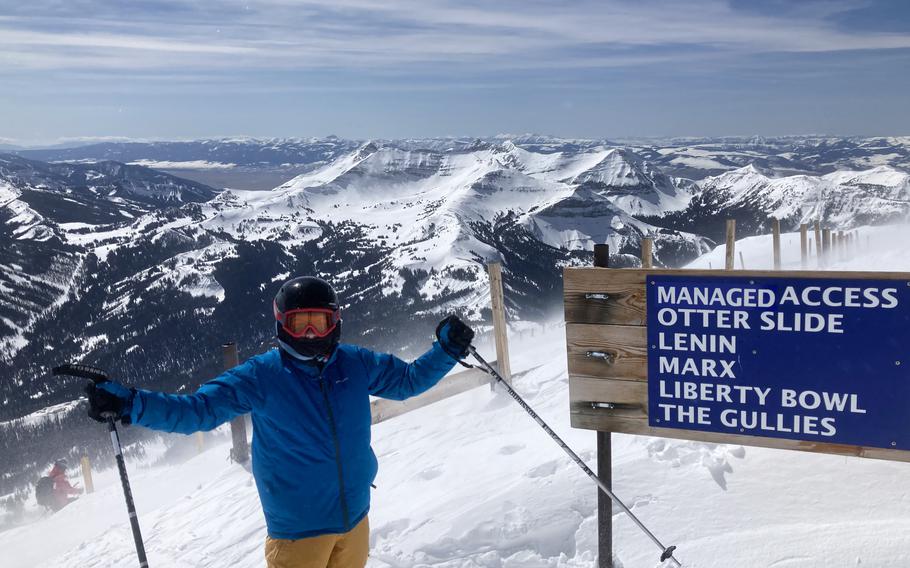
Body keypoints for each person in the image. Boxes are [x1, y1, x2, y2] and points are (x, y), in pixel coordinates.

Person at [85, 276, 475, 568]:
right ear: (281, 325)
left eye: (318, 322)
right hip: (297, 534)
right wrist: (133, 404)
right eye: (298, 322)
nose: (309, 332)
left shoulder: (354, 363)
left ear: (334, 322)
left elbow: (407, 382)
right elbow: (197, 411)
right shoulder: (261, 376)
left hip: (355, 520)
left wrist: (445, 350)